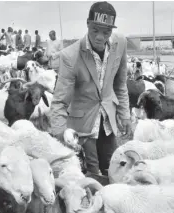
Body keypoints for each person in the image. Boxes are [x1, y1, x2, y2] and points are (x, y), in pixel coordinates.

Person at [50, 1, 132, 177]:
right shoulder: (70, 56)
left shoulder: (121, 44)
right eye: (95, 30)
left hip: (107, 122)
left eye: (106, 32)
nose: (100, 37)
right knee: (92, 175)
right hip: (82, 127)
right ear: (87, 24)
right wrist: (59, 137)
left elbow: (120, 84)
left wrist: (124, 115)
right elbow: (59, 102)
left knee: (114, 170)